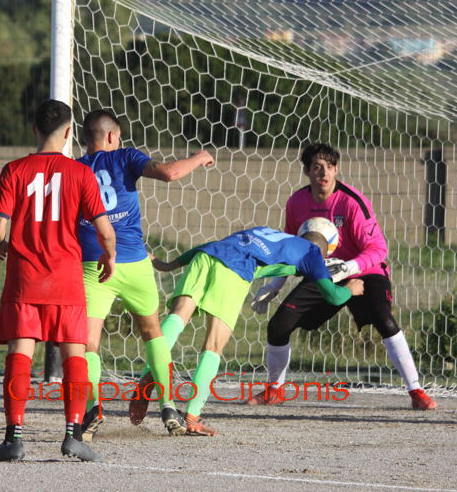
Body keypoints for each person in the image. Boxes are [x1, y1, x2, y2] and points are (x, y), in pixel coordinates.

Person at [249, 142, 437, 410]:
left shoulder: (352, 202)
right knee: (278, 325)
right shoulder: (296, 202)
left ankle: (416, 391)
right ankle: (274, 390)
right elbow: (291, 249)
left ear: (336, 169)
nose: (323, 173)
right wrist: (275, 284)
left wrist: (349, 268)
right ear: (306, 171)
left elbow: (379, 249)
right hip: (324, 274)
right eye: (317, 167)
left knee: (383, 319)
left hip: (365, 272)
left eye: (329, 166)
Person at [0, 99, 117, 463]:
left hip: (25, 279)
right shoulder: (80, 173)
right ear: (69, 132)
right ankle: (73, 435)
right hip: (66, 279)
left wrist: (0, 245)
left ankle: (13, 439)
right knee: (75, 355)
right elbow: (105, 232)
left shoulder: (14, 170)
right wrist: (109, 256)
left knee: (19, 354)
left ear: (34, 129)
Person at [142, 226, 364, 435]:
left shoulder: (265, 231)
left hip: (205, 255)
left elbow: (214, 244)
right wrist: (350, 289)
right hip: (234, 269)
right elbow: (333, 296)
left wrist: (167, 265)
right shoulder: (313, 253)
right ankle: (192, 416)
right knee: (213, 345)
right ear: (324, 252)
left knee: (177, 317)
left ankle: (147, 377)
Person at [76, 109, 215, 440]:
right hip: (136, 263)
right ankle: (168, 405)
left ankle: (93, 407)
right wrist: (200, 157)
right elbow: (170, 173)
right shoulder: (125, 157)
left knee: (88, 342)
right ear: (112, 136)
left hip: (94, 264)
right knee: (153, 332)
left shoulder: (74, 168)